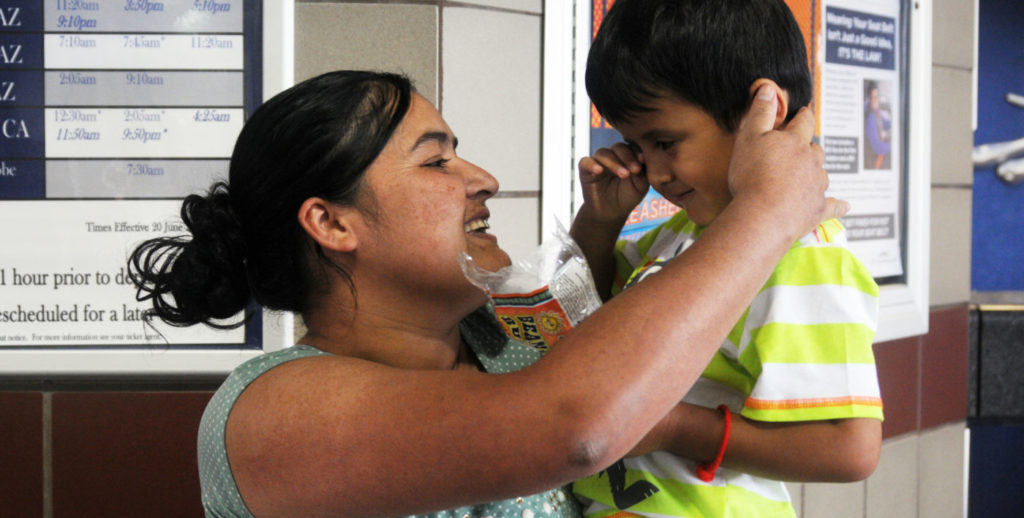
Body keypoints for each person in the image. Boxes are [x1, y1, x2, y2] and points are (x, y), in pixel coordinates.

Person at [127, 69, 839, 517]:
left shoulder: (498, 340)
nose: (484, 178)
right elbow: (576, 426)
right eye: (436, 160)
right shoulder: (267, 413)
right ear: (332, 223)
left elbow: (583, 333)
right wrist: (767, 213)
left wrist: (601, 225)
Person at [569, 1, 883, 516]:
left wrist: (671, 427)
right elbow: (579, 318)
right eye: (637, 146)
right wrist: (600, 222)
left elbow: (849, 449)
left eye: (665, 141)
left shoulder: (805, 256)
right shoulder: (673, 236)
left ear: (765, 112)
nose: (656, 171)